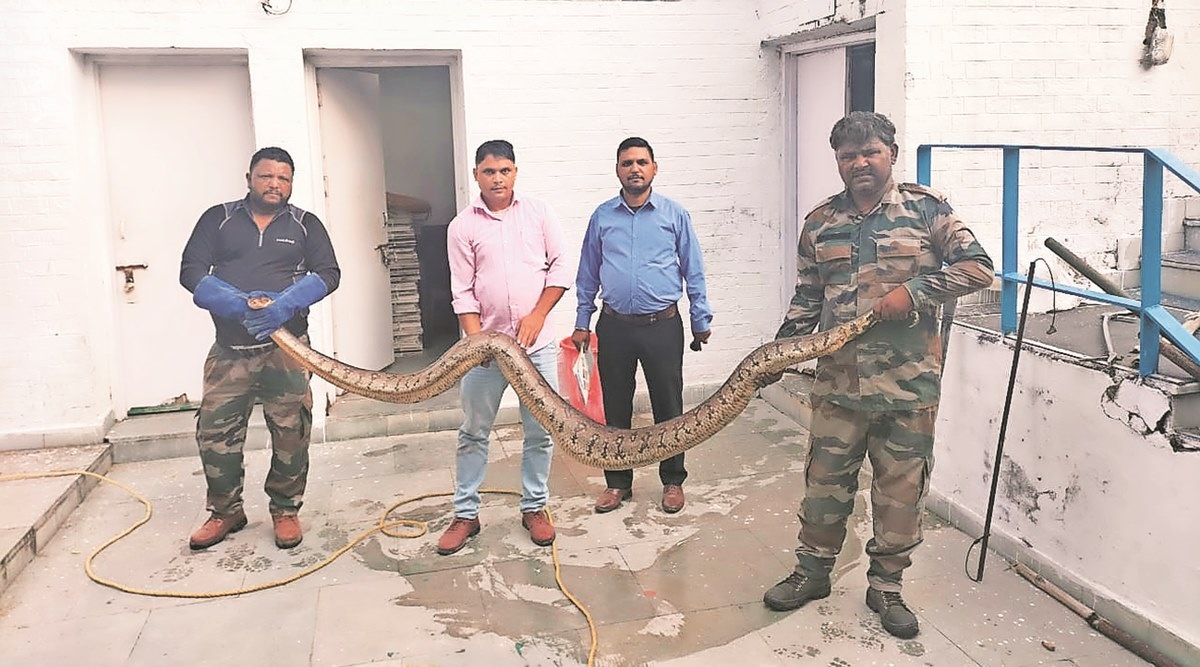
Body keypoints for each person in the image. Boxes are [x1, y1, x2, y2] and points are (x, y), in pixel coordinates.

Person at [759, 112, 993, 639]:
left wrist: (913, 292)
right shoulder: (820, 224)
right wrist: (775, 357)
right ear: (838, 162)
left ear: (890, 152)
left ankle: (887, 587)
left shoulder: (927, 210)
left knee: (900, 496)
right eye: (848, 155)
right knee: (824, 487)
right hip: (838, 388)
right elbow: (807, 297)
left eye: (870, 152)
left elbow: (979, 267)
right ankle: (812, 572)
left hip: (908, 390)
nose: (860, 163)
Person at [180, 146, 340, 551]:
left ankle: (285, 510)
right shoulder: (218, 219)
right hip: (229, 349)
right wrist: (235, 303)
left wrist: (285, 304)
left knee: (291, 431)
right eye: (266, 176)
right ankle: (225, 511)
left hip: (286, 350)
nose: (275, 184)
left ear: (291, 183)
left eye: (283, 178)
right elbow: (191, 270)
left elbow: (329, 273)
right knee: (215, 433)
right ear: (249, 177)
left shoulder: (305, 224)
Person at [437, 139, 571, 555]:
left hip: (537, 347)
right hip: (484, 354)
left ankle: (534, 507)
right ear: (476, 174)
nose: (498, 178)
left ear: (516, 172)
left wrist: (537, 316)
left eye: (505, 170)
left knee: (540, 432)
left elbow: (562, 266)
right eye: (490, 171)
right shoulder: (462, 226)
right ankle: (465, 514)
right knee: (474, 432)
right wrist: (480, 343)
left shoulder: (538, 212)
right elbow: (462, 290)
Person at [573, 137, 713, 515]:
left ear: (654, 168)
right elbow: (587, 274)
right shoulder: (602, 217)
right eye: (626, 163)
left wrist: (700, 318)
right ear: (617, 169)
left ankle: (672, 481)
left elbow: (693, 270)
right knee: (616, 408)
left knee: (669, 405)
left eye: (641, 162)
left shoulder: (673, 215)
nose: (634, 168)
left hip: (662, 326)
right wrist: (582, 321)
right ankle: (618, 483)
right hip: (615, 326)